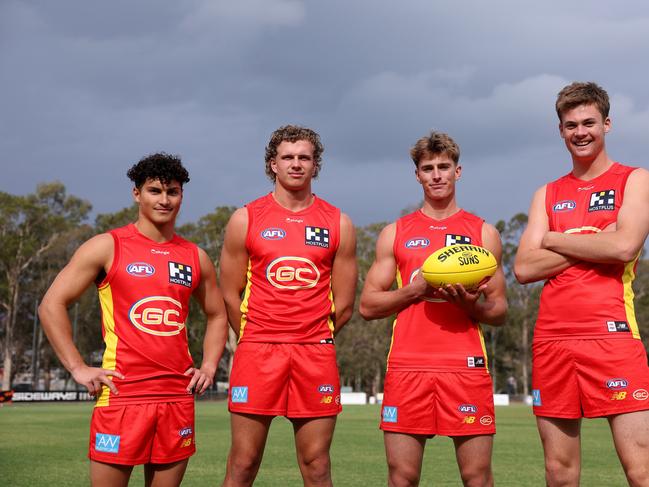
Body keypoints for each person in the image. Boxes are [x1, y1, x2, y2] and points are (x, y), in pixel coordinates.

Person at [39, 153, 229, 487]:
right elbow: (51, 305)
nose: (165, 199)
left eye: (173, 191)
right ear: (136, 194)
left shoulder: (194, 256)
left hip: (176, 396)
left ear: (182, 195)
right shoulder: (106, 247)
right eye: (155, 191)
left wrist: (210, 366)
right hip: (122, 394)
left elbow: (217, 315)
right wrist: (77, 367)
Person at [515, 81, 649, 486]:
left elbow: (625, 246)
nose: (580, 131)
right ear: (561, 131)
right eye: (571, 124)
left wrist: (555, 239)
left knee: (640, 468)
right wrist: (594, 240)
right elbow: (523, 267)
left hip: (612, 337)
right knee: (559, 473)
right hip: (553, 341)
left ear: (607, 124)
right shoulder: (548, 194)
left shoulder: (635, 179)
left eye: (589, 122)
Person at [359, 131, 507, 487]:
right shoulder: (395, 233)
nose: (437, 175)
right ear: (417, 175)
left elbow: (499, 310)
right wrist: (414, 290)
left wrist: (471, 307)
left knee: (477, 476)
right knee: (402, 476)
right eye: (428, 168)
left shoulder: (483, 233)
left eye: (444, 166)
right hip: (408, 366)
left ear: (458, 171)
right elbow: (368, 304)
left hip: (465, 367)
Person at [219, 125, 357, 487]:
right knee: (243, 463)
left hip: (315, 354)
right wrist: (251, 336)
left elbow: (343, 305)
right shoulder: (245, 219)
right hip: (258, 352)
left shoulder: (338, 222)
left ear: (316, 166)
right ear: (273, 165)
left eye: (304, 158)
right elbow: (229, 294)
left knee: (316, 465)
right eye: (288, 157)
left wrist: (312, 336)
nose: (296, 164)